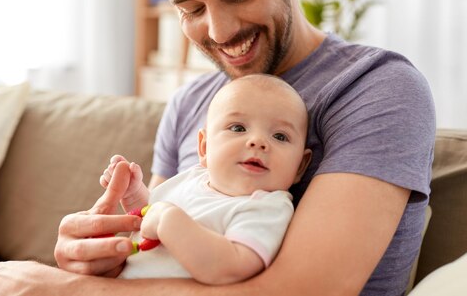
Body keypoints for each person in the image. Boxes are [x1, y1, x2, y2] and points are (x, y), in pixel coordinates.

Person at [0, 0, 435, 295]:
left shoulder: (376, 88)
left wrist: (65, 291)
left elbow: (304, 290)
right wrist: (97, 257)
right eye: (191, 9)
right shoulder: (191, 104)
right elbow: (152, 250)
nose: (218, 30)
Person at [101, 74, 311, 284]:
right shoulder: (191, 178)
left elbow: (230, 268)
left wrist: (167, 219)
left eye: (280, 136)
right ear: (204, 147)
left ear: (300, 166)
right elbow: (149, 222)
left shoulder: (268, 207)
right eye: (238, 128)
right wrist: (134, 195)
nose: (258, 141)